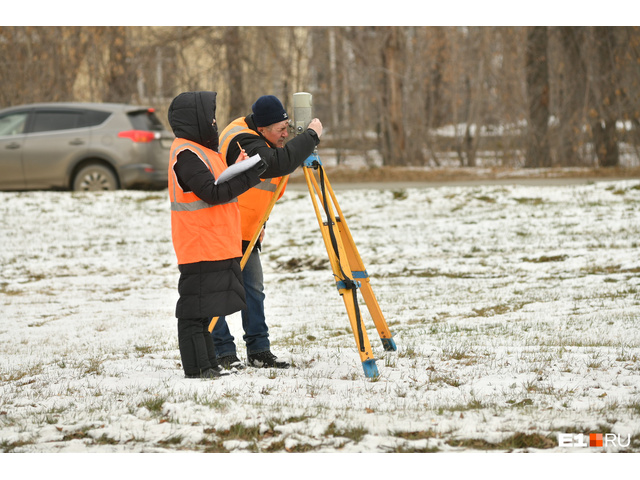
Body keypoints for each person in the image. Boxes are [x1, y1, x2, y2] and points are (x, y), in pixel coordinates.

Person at [211, 94, 323, 370]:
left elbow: (264, 191)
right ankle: (222, 351)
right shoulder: (243, 138)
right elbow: (277, 162)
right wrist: (310, 137)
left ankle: (259, 350)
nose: (286, 134)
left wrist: (262, 223)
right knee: (219, 291)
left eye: (287, 127)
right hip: (223, 227)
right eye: (280, 130)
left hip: (248, 228)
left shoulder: (265, 137)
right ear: (261, 130)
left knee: (253, 290)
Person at [167, 91, 267, 378]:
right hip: (198, 241)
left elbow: (216, 183)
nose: (213, 122)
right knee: (194, 311)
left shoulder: (202, 150)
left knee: (205, 309)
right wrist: (250, 175)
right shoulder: (186, 153)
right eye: (209, 116)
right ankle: (197, 368)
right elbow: (211, 193)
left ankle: (208, 364)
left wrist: (237, 169)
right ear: (194, 119)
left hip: (214, 241)